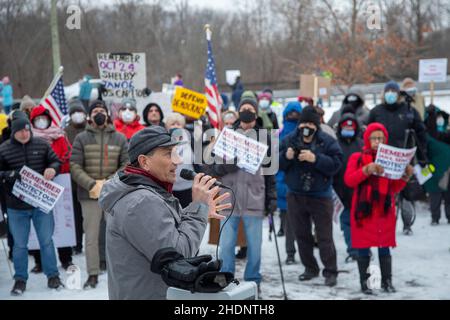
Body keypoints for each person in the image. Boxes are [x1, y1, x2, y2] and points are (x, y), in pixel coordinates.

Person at [98, 126, 229, 300]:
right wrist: (198, 207)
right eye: (168, 153)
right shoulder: (141, 201)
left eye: (176, 152)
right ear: (144, 162)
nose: (178, 160)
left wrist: (200, 212)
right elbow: (179, 256)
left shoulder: (147, 193)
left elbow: (167, 232)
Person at [206, 93, 277, 294]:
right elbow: (211, 167)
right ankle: (226, 277)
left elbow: (271, 174)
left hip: (254, 197)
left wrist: (271, 198)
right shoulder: (226, 135)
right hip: (229, 198)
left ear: (256, 114)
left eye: (251, 111)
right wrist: (228, 165)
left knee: (255, 245)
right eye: (244, 109)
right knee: (226, 244)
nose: (247, 114)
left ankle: (253, 279)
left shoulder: (266, 138)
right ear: (238, 112)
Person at [344, 123, 413, 294]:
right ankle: (365, 283)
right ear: (367, 139)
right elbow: (349, 180)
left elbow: (394, 187)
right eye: (374, 138)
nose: (377, 141)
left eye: (380, 138)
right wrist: (366, 170)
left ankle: (387, 282)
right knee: (362, 249)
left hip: (383, 210)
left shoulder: (390, 159)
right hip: (363, 211)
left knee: (384, 247)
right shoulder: (357, 157)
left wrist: (405, 176)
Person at [0, 113, 64, 295]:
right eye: (20, 130)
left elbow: (55, 161)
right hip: (16, 207)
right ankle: (20, 279)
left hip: (40, 205)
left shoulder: (41, 144)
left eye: (27, 129)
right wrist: (8, 175)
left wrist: (53, 168)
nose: (24, 133)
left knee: (46, 241)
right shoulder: (3, 149)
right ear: (13, 132)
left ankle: (53, 275)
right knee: (19, 245)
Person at [280, 106, 343, 287]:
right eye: (304, 123)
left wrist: (316, 159)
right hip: (296, 195)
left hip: (320, 195)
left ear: (316, 125)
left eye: (310, 123)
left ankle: (330, 271)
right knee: (302, 235)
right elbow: (275, 163)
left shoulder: (327, 141)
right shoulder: (289, 140)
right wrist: (286, 156)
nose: (306, 126)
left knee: (324, 236)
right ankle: (310, 268)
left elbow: (337, 164)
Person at [70, 100, 129, 289]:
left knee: (116, 236)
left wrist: (108, 183)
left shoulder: (119, 138)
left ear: (107, 114)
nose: (99, 113)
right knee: (91, 237)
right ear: (90, 115)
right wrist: (91, 184)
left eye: (101, 110)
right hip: (89, 195)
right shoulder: (81, 138)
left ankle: (118, 272)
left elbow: (126, 165)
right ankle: (93, 273)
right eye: (95, 111)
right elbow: (75, 165)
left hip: (113, 194)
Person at [368, 80, 428, 235]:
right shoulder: (376, 111)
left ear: (398, 94)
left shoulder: (409, 111)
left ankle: (407, 224)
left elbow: (421, 133)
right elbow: (367, 134)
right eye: (388, 91)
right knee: (385, 194)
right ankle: (386, 225)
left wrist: (422, 156)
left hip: (404, 159)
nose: (390, 95)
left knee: (406, 193)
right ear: (383, 94)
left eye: (393, 92)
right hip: (382, 160)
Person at [28, 105, 74, 271]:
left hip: (58, 182)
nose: (42, 122)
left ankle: (66, 258)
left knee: (61, 222)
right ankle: (39, 261)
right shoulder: (29, 138)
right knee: (38, 225)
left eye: (44, 118)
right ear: (33, 121)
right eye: (38, 119)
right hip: (36, 186)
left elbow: (66, 156)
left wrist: (56, 169)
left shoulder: (59, 137)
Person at [333, 108, 364, 263]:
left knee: (361, 223)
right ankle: (352, 250)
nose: (348, 130)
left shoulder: (362, 145)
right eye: (345, 127)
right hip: (342, 192)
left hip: (360, 193)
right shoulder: (335, 145)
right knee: (346, 224)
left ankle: (363, 249)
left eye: (351, 127)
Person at [276, 101, 302, 265]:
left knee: (292, 222)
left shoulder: (301, 134)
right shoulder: (281, 135)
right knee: (292, 223)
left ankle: (292, 252)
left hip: (291, 183)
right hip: (288, 182)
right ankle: (291, 252)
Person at [64, 99, 88, 254]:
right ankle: (77, 244)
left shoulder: (91, 129)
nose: (77, 115)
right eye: (74, 113)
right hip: (72, 181)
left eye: (79, 112)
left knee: (90, 215)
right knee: (76, 215)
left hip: (90, 179)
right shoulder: (65, 132)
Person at [424, 105, 450, 225]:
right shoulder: (427, 135)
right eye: (436, 118)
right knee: (435, 195)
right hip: (433, 169)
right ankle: (435, 217)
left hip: (447, 170)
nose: (439, 120)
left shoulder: (447, 134)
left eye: (441, 117)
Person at [165, 113, 194, 208]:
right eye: (172, 124)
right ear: (167, 127)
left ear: (183, 126)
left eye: (178, 124)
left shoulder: (191, 139)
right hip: (169, 186)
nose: (175, 127)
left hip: (188, 186)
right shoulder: (163, 140)